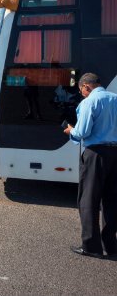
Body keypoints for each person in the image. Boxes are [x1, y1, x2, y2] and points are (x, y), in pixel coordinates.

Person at [63, 73, 117, 259]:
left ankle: (91, 246)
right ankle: (110, 245)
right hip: (115, 154)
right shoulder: (115, 98)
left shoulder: (89, 102)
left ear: (86, 86)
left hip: (96, 154)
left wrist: (71, 131)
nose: (82, 94)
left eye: (81, 91)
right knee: (112, 201)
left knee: (88, 200)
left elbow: (83, 132)